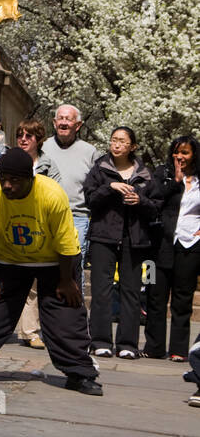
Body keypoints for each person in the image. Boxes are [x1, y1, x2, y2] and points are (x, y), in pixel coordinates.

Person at [0, 148, 101, 395]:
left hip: (54, 260)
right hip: (9, 259)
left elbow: (66, 244)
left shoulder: (51, 195)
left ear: (30, 178)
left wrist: (67, 281)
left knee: (65, 316)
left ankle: (80, 373)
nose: (7, 185)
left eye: (14, 180)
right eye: (3, 178)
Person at [84, 126, 157, 359]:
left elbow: (156, 207)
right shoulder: (100, 169)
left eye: (122, 141)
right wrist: (110, 187)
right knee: (101, 290)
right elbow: (90, 199)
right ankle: (100, 341)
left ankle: (128, 344)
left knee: (131, 291)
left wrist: (140, 200)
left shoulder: (145, 174)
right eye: (113, 140)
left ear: (132, 147)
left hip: (134, 239)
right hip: (103, 236)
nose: (116, 145)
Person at [144, 135, 200, 363]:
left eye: (185, 152)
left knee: (182, 298)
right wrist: (174, 182)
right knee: (155, 296)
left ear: (194, 155)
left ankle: (179, 349)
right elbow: (152, 199)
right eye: (177, 152)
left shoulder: (198, 180)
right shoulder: (162, 173)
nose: (180, 157)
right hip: (160, 245)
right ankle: (154, 347)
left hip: (190, 245)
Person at [12, 118, 63, 349]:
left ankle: (30, 331)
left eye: (28, 136)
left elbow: (57, 194)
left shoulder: (48, 165)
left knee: (33, 282)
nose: (23, 139)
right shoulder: (10, 161)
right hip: (13, 223)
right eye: (20, 135)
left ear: (38, 140)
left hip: (39, 226)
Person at [42, 104, 98, 275]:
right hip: (46, 216)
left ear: (78, 125)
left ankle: (77, 302)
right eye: (61, 118)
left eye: (69, 119)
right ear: (54, 122)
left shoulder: (90, 151)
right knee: (47, 266)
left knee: (74, 268)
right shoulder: (43, 147)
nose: (64, 123)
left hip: (77, 217)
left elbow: (96, 186)